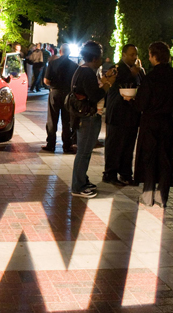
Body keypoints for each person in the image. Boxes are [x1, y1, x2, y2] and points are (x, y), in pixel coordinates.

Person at [131, 42, 173, 208]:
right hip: (166, 122)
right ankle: (162, 196)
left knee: (148, 157)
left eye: (150, 55)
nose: (149, 58)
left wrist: (132, 100)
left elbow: (141, 104)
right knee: (165, 159)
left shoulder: (150, 77)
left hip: (149, 121)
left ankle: (148, 194)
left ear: (154, 56)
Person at [69, 41, 116, 198]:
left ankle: (82, 180)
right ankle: (78, 186)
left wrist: (105, 79)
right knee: (83, 153)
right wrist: (108, 83)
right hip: (88, 118)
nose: (102, 60)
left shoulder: (81, 69)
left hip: (83, 116)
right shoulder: (87, 72)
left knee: (85, 152)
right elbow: (95, 95)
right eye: (100, 57)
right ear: (95, 58)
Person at [103, 44, 144, 186]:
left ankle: (125, 173)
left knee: (128, 145)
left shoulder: (138, 70)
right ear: (123, 55)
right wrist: (131, 74)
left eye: (136, 54)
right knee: (114, 145)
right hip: (117, 113)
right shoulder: (116, 69)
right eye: (131, 54)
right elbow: (114, 84)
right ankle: (110, 173)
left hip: (132, 113)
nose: (134, 57)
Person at [41, 43, 79, 154]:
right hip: (68, 94)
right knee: (66, 120)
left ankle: (51, 144)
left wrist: (54, 84)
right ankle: (67, 145)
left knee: (52, 119)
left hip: (55, 92)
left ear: (60, 51)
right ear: (69, 52)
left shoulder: (52, 63)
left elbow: (46, 80)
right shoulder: (74, 66)